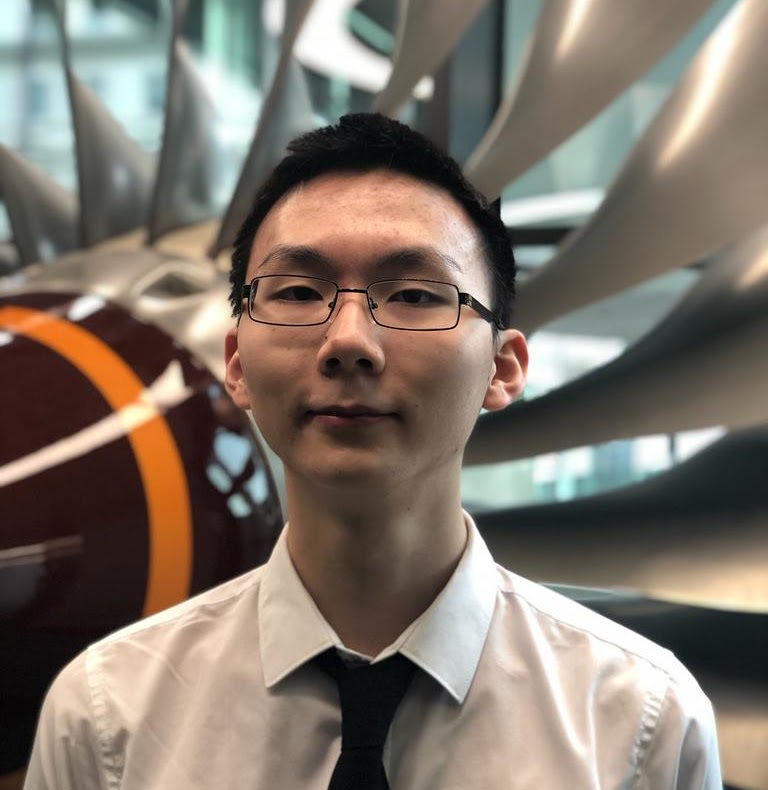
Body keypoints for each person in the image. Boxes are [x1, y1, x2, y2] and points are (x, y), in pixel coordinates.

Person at [24, 113, 721, 789]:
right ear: (235, 362)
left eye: (415, 293)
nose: (349, 341)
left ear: (503, 368)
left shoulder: (640, 724)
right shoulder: (104, 720)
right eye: (298, 291)